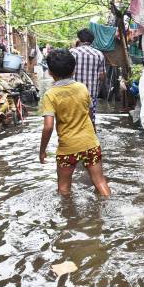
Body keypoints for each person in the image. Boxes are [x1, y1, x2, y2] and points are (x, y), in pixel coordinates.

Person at [39, 49, 111, 197]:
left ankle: (70, 218)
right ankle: (109, 208)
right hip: (90, 143)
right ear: (74, 69)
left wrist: (42, 150)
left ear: (50, 72)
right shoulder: (82, 88)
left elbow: (48, 126)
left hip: (68, 147)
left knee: (64, 188)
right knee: (100, 181)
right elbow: (90, 116)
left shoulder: (50, 95)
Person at [70, 29, 106, 128]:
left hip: (74, 93)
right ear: (92, 40)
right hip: (91, 94)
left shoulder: (72, 52)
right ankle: (92, 142)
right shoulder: (99, 54)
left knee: (74, 121)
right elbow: (102, 76)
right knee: (91, 121)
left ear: (79, 39)